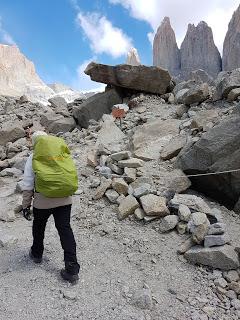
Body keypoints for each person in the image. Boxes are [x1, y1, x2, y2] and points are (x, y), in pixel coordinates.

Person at [22, 131, 80, 283]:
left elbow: (28, 183)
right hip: (65, 200)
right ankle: (72, 269)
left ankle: (36, 254)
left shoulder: (33, 156)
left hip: (43, 201)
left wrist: (26, 206)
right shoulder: (60, 153)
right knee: (65, 229)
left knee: (39, 226)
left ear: (35, 142)